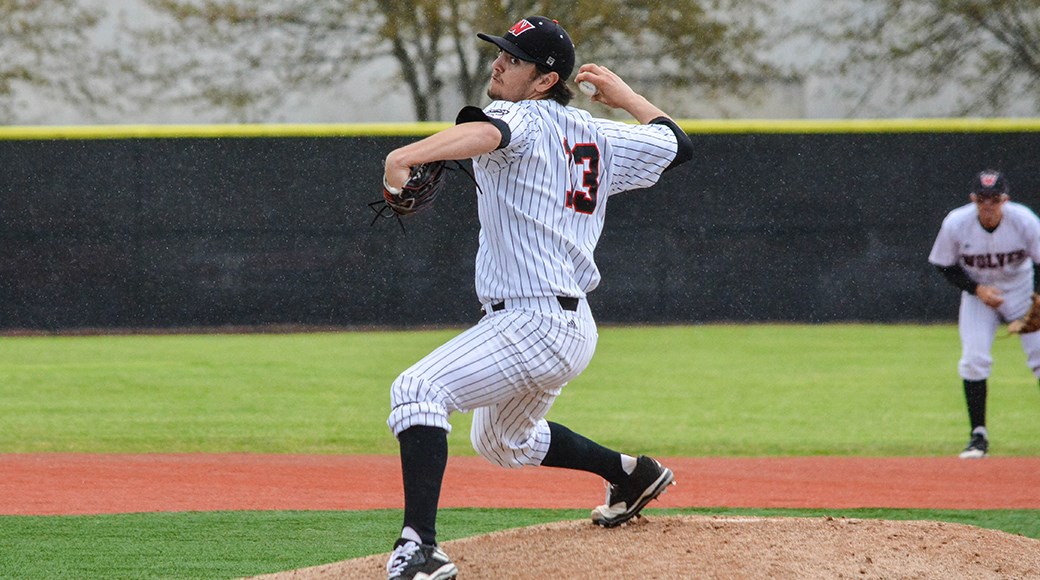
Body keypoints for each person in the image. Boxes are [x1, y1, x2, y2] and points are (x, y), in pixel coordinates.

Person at [380, 15, 693, 580]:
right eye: (501, 53)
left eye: (515, 59)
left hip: (532, 319)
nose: (499, 64)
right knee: (502, 440)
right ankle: (630, 473)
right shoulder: (597, 133)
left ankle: (418, 548)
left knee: (417, 389)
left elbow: (490, 134)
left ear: (546, 79)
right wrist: (627, 98)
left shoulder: (516, 115)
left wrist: (406, 156)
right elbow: (676, 144)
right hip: (566, 326)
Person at [928, 169, 1040, 459]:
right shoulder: (956, 223)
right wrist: (976, 289)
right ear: (973, 199)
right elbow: (943, 264)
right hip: (980, 296)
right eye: (982, 199)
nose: (988, 205)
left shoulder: (1025, 221)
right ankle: (978, 436)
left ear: (1005, 199)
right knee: (974, 360)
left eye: (994, 198)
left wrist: (1036, 302)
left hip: (1021, 291)